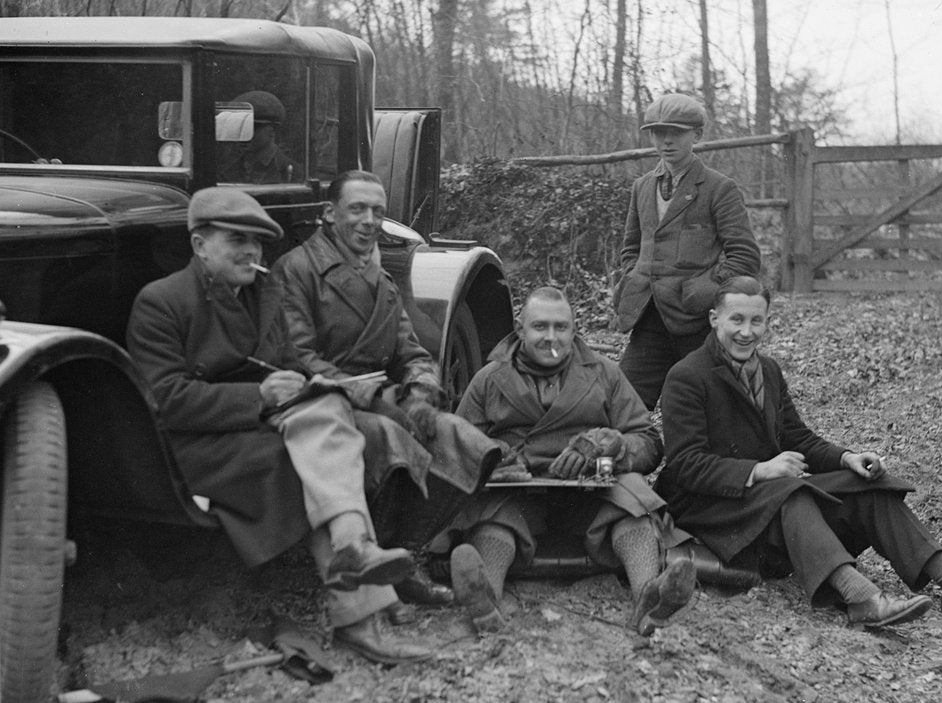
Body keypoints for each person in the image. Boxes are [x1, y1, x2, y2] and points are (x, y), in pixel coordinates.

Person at [127, 187, 432, 664]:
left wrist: (303, 382)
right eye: (236, 239)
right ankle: (360, 609)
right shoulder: (162, 302)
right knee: (309, 458)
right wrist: (261, 395)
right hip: (197, 445)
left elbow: (289, 362)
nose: (251, 251)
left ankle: (356, 551)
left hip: (265, 424)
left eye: (258, 241)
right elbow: (165, 402)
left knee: (332, 412)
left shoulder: (264, 291)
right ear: (199, 244)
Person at [656, 275, 942, 627]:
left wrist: (846, 457)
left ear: (767, 322)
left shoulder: (767, 370)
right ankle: (861, 597)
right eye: (736, 319)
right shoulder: (687, 376)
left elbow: (797, 438)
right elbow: (687, 465)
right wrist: (761, 470)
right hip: (710, 511)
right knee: (792, 491)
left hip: (764, 504)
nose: (746, 331)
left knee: (865, 485)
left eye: (757, 321)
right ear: (714, 319)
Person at [271, 170, 501, 611]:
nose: (368, 221)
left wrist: (419, 390)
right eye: (356, 209)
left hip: (381, 398)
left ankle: (406, 556)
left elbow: (411, 350)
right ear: (329, 213)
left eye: (378, 211)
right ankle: (371, 565)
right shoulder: (298, 270)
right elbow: (296, 356)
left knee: (460, 437)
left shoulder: (382, 279)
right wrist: (368, 394)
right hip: (323, 401)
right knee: (389, 436)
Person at [433, 286, 696, 637]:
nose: (551, 337)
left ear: (574, 330)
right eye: (540, 327)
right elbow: (458, 443)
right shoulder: (489, 379)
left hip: (589, 492)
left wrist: (611, 445)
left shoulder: (604, 374)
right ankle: (486, 602)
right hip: (518, 493)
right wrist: (493, 454)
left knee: (632, 503)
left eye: (561, 327)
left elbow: (649, 443)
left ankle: (649, 597)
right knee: (494, 519)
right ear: (520, 329)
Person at [614, 93, 761, 410]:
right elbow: (631, 247)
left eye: (677, 132)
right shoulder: (641, 187)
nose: (666, 141)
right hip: (647, 317)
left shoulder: (718, 187)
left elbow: (745, 256)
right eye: (658, 132)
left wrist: (705, 289)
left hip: (695, 321)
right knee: (622, 409)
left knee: (700, 408)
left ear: (697, 135)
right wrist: (634, 277)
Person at [220, 90, 299, 184]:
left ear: (272, 130)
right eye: (238, 128)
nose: (242, 135)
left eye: (250, 128)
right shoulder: (228, 170)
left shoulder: (291, 171)